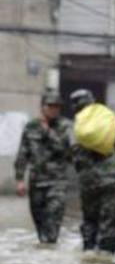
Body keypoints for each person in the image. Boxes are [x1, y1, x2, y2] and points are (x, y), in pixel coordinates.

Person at [69, 88, 115, 255]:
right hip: (110, 180)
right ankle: (105, 263)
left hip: (88, 183)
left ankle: (88, 254)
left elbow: (69, 155)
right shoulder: (108, 120)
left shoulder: (73, 128)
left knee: (89, 221)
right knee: (110, 221)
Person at [13, 90, 72, 244]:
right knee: (40, 228)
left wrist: (47, 132)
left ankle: (50, 262)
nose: (54, 109)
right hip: (36, 183)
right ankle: (44, 260)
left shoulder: (65, 126)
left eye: (57, 106)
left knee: (52, 227)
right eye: (50, 106)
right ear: (42, 107)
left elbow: (67, 151)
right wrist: (19, 179)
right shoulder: (31, 126)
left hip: (57, 183)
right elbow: (22, 154)